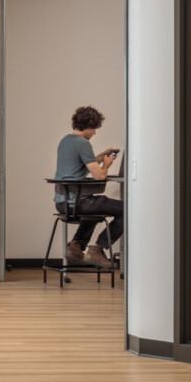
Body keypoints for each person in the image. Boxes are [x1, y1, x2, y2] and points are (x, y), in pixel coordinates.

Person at [54, 105, 123, 269]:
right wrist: (107, 164)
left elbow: (84, 164)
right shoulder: (83, 143)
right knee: (129, 210)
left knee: (95, 207)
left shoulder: (65, 141)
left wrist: (101, 156)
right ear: (89, 125)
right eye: (94, 129)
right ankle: (97, 249)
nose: (95, 133)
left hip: (62, 203)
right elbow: (99, 176)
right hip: (79, 203)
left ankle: (76, 245)